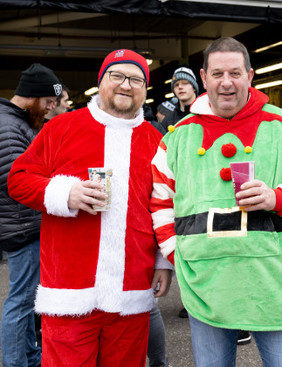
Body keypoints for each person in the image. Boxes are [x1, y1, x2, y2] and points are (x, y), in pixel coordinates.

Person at [150, 37, 282, 366]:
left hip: (274, 285)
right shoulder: (176, 137)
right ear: (203, 78)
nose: (226, 82)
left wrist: (276, 196)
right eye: (217, 73)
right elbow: (161, 202)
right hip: (206, 286)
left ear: (250, 76)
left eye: (235, 73)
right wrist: (179, 256)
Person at [8, 49, 173, 367]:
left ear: (145, 88)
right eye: (117, 76)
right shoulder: (60, 128)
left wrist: (164, 261)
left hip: (131, 291)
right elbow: (18, 179)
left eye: (136, 79)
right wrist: (64, 193)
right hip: (70, 292)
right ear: (101, 82)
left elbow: (165, 204)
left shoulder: (156, 141)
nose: (126, 85)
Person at [0, 63, 60, 367]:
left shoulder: (16, 122)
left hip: (20, 224)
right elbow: (16, 181)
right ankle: (15, 362)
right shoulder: (9, 126)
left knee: (25, 300)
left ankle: (29, 357)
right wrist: (58, 190)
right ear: (32, 97)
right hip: (20, 226)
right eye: (48, 102)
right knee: (21, 301)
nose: (50, 109)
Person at [156, 66, 199, 133]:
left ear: (194, 88)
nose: (180, 87)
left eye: (185, 83)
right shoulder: (168, 121)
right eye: (176, 85)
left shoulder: (208, 113)